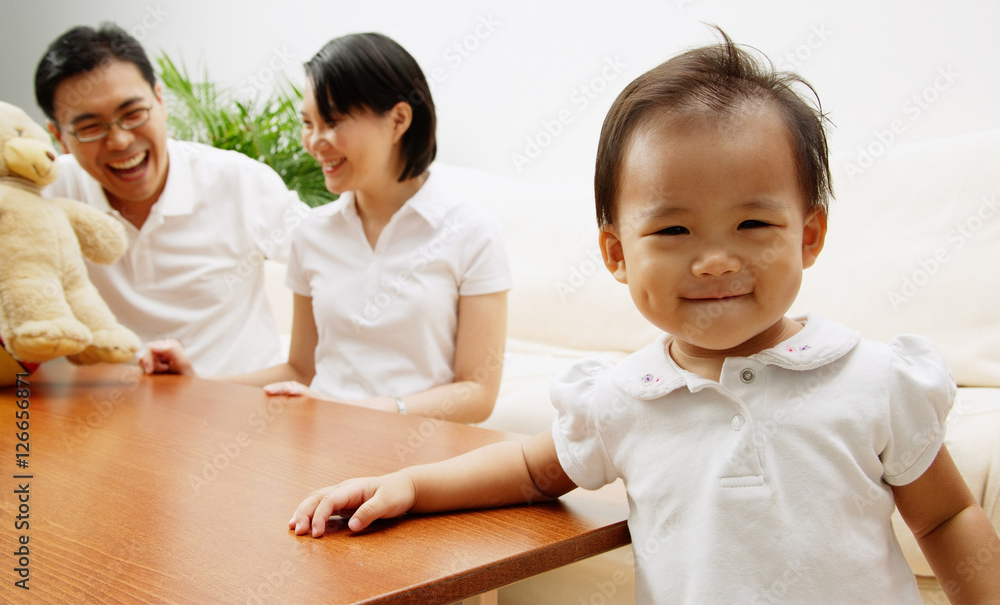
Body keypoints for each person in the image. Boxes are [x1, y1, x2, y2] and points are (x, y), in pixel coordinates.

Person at [286, 31, 1000, 603]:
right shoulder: (625, 398)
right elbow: (533, 471)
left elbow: (946, 515)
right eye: (673, 231)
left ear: (808, 235)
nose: (715, 260)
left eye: (754, 222)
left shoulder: (872, 380)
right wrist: (410, 487)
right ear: (616, 251)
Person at [142, 33, 510, 424]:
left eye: (332, 122)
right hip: (323, 440)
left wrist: (365, 410)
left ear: (399, 119)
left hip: (422, 456)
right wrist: (199, 383)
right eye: (307, 123)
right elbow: (300, 371)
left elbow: (476, 392)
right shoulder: (312, 234)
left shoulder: (471, 232)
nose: (315, 142)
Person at [36, 23, 309, 376]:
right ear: (59, 137)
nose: (119, 141)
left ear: (160, 101)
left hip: (237, 407)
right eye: (90, 127)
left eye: (133, 114)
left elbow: (333, 261)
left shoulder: (238, 181)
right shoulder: (45, 194)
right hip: (106, 413)